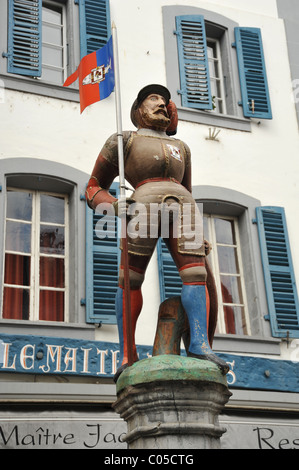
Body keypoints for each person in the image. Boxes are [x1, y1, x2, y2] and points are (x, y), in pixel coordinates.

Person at [85, 84, 229, 378]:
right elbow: (92, 187)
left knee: (195, 274)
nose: (162, 104)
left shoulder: (183, 149)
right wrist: (112, 205)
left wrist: (198, 233)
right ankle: (127, 352)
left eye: (165, 101)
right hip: (142, 205)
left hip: (184, 207)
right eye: (153, 99)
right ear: (138, 110)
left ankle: (199, 343)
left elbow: (187, 188)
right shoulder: (124, 140)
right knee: (130, 279)